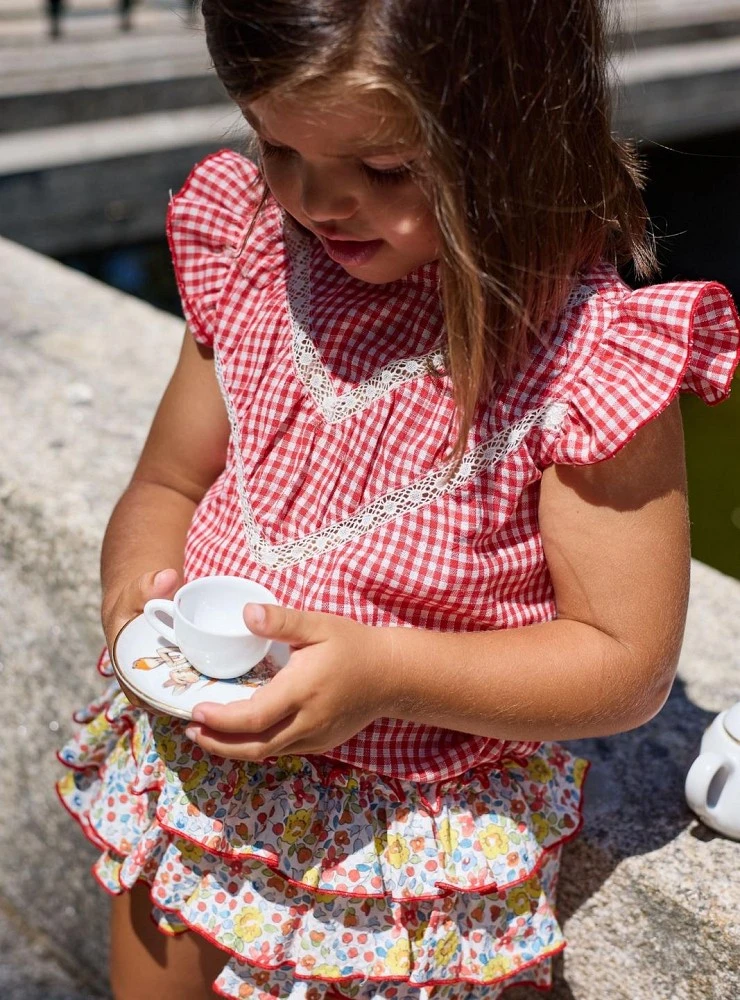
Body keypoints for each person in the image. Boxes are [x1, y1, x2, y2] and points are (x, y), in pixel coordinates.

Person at [56, 1, 740, 998]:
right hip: (191, 786)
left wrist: (385, 674)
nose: (315, 199)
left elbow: (622, 663)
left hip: (393, 858)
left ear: (518, 130)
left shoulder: (584, 362)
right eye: (276, 147)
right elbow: (168, 480)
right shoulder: (255, 252)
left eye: (383, 168)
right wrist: (132, 596)